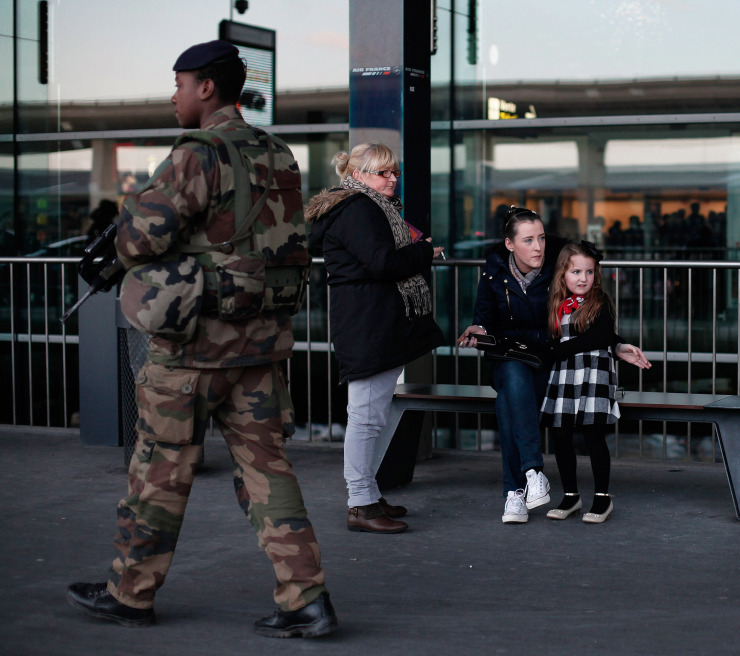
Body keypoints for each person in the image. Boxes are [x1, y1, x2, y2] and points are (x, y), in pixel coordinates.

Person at [65, 40, 337, 639]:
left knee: (159, 468)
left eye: (181, 83)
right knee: (270, 472)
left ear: (207, 87)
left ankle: (130, 594)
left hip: (193, 350)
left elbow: (139, 239)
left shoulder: (199, 153)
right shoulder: (276, 151)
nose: (174, 94)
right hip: (260, 344)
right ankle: (307, 599)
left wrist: (139, 209)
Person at [457, 207, 649, 524]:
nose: (538, 247)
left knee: (510, 401)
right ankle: (532, 472)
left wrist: (616, 345)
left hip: (548, 359)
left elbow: (590, 320)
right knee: (513, 382)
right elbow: (485, 321)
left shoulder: (558, 268)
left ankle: (516, 492)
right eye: (528, 240)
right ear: (509, 244)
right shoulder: (492, 272)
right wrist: (479, 330)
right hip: (510, 357)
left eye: (542, 238)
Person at [305, 143, 445, 534]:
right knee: (366, 417)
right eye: (383, 172)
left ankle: (368, 494)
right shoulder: (356, 209)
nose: (392, 178)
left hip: (374, 322)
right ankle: (361, 504)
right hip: (367, 324)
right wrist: (423, 254)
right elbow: (383, 262)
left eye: (394, 172)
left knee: (373, 415)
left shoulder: (364, 207)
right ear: (358, 175)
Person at [542, 241, 650, 523]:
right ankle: (570, 495)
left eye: (589, 272)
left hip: (594, 374)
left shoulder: (599, 301)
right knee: (561, 434)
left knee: (593, 434)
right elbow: (553, 340)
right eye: (576, 272)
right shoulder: (556, 303)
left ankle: (602, 498)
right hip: (566, 375)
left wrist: (557, 351)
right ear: (562, 274)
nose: (583, 278)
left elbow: (600, 337)